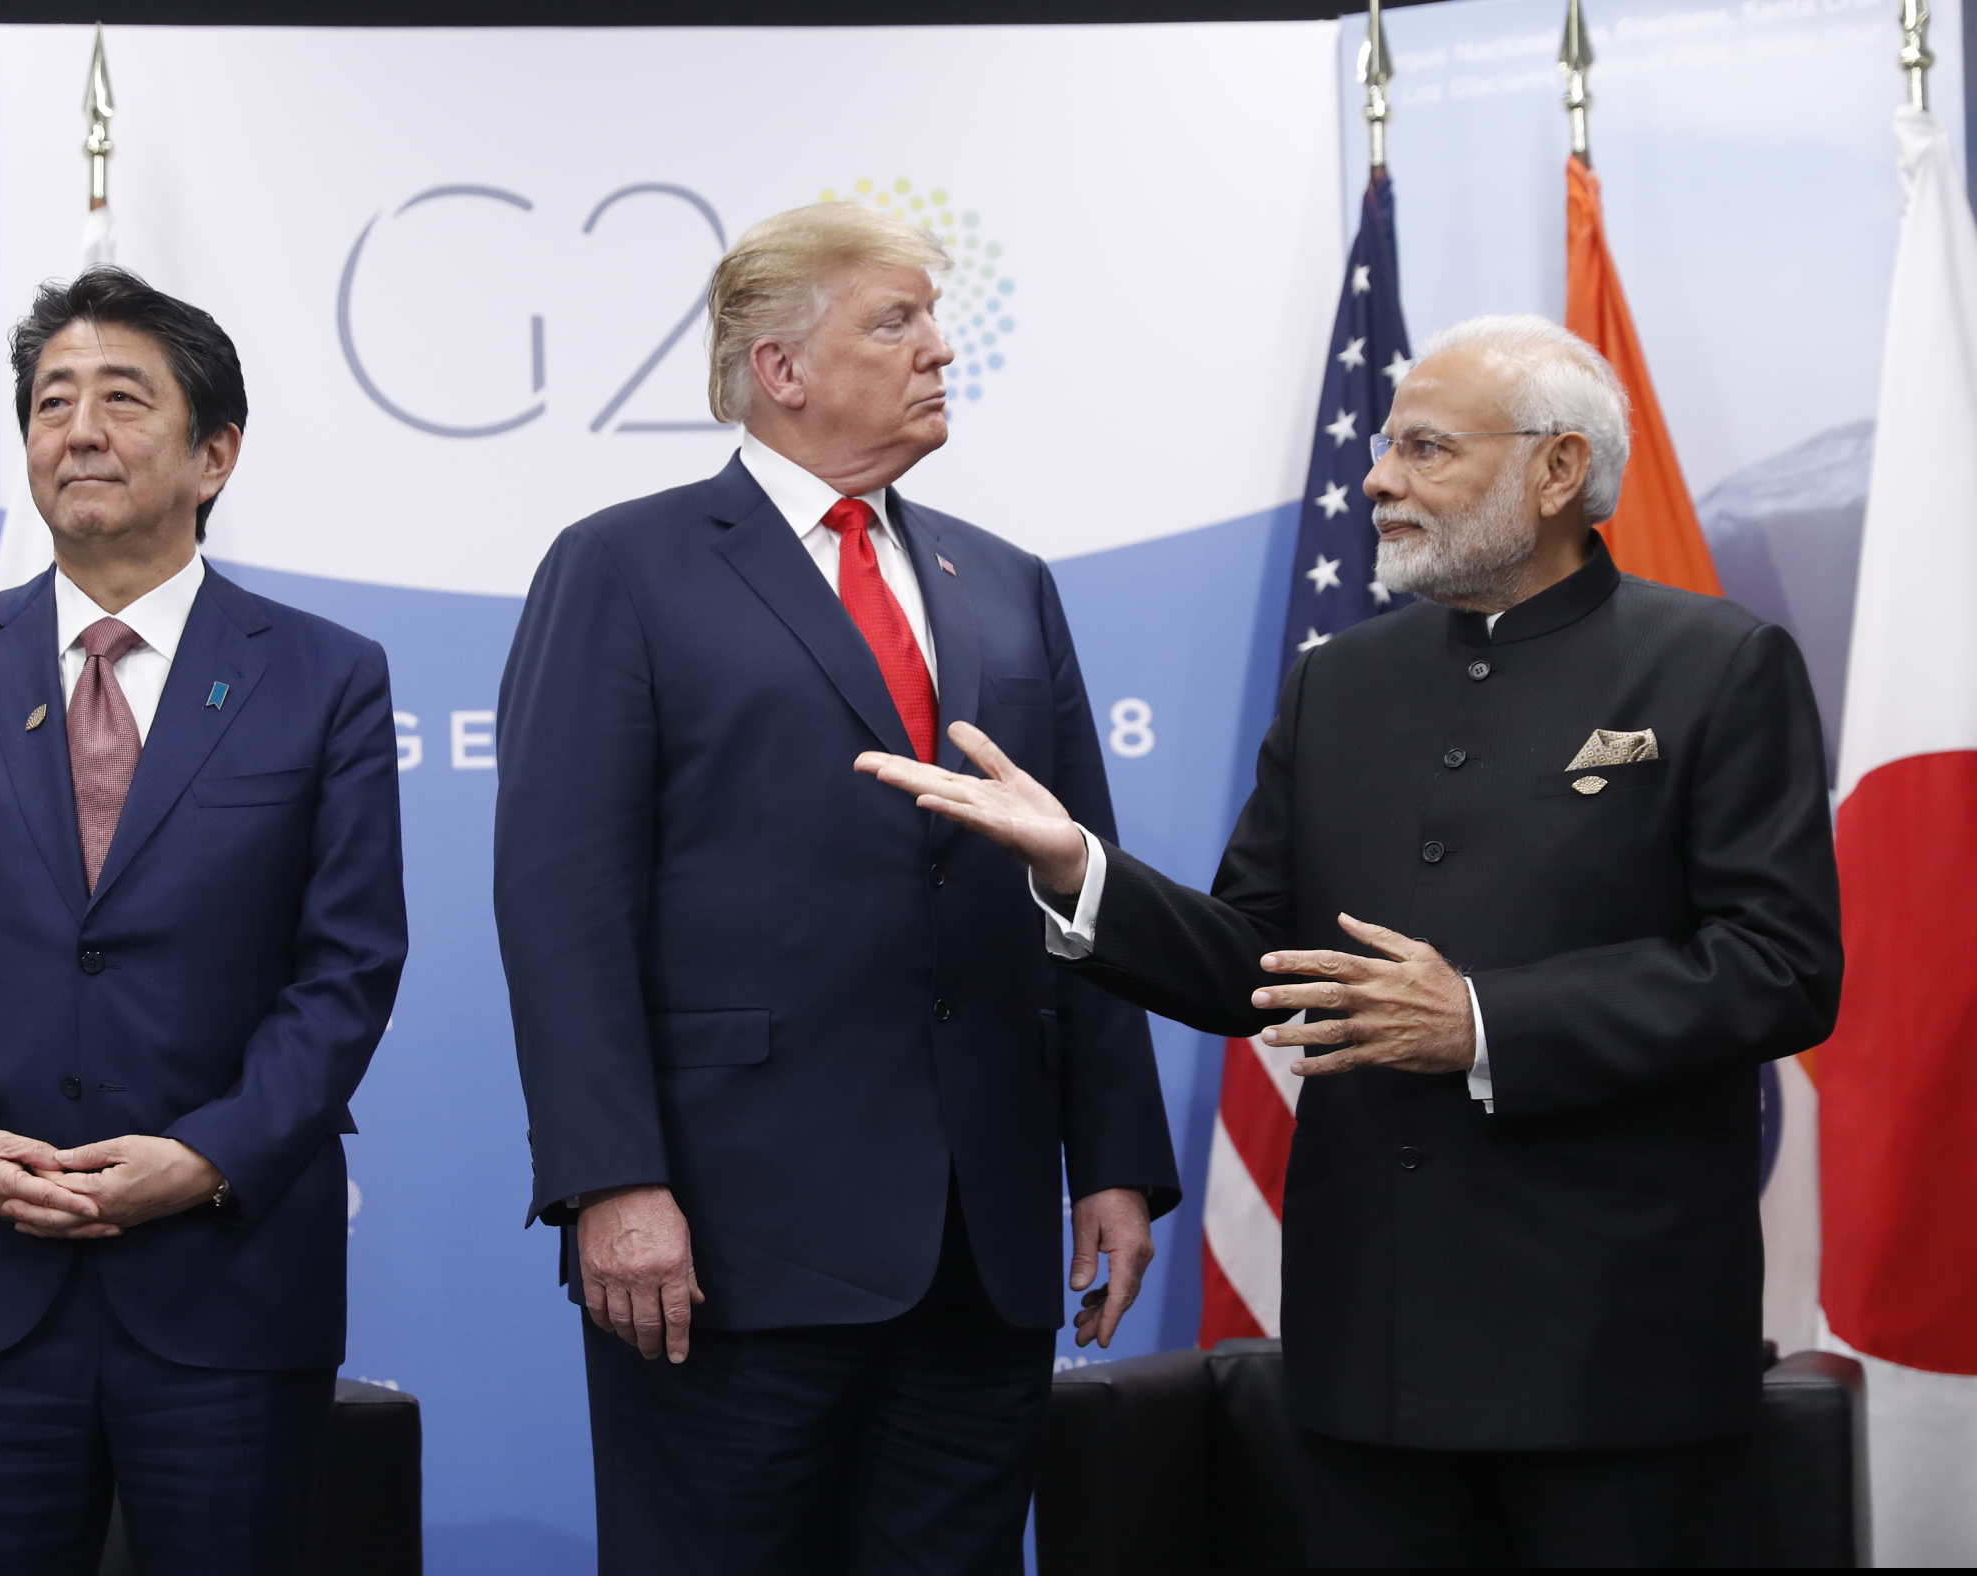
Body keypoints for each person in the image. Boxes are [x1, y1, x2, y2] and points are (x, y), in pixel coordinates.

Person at [858, 314, 1843, 1568]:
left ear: (1554, 472)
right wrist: (1077, 868)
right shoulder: (1344, 681)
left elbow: (1781, 969)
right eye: (1383, 447)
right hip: (1373, 1360)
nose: (1379, 478)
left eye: (1427, 448)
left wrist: (1483, 1022)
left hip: (1616, 1358)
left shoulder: (1716, 665)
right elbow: (1250, 960)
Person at [494, 202, 1178, 1573]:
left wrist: (1112, 1161)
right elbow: (563, 906)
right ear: (779, 368)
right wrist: (611, 1183)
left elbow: (1077, 874)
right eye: (897, 320)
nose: (940, 348)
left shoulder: (1005, 582)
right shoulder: (621, 567)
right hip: (730, 1244)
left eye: (935, 317)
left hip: (982, 1251)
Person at [0, 267, 407, 1575]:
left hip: (227, 1282)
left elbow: (348, 969)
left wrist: (204, 1160)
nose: (76, 429)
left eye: (120, 398)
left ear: (216, 452)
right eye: (50, 402)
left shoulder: (325, 678)